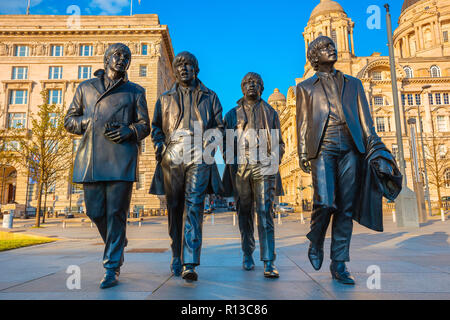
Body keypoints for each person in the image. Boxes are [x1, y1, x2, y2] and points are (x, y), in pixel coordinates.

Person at [296, 36, 394, 285]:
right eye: (324, 47)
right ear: (314, 56)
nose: (332, 48)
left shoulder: (354, 83)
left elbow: (366, 122)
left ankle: (339, 263)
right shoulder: (305, 87)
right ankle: (316, 239)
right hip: (322, 146)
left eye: (332, 45)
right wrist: (302, 152)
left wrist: (377, 150)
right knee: (326, 202)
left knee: (345, 208)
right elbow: (303, 123)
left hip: (351, 147)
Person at [64, 43, 150, 289]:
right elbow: (69, 120)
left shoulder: (135, 91)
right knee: (95, 212)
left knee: (116, 214)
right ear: (106, 59)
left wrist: (129, 130)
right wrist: (87, 122)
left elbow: (145, 125)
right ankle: (117, 242)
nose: (122, 59)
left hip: (121, 158)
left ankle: (111, 266)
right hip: (91, 158)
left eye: (126, 56)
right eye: (117, 55)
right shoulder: (85, 88)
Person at [149, 51, 224, 282]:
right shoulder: (164, 99)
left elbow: (220, 126)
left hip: (199, 154)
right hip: (173, 154)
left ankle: (190, 262)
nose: (183, 69)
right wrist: (160, 147)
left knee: (194, 205)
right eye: (179, 66)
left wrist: (209, 147)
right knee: (174, 208)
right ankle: (176, 253)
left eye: (188, 65)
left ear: (196, 69)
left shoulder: (210, 97)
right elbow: (156, 128)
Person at [222, 72, 285, 278]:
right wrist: (232, 162)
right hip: (241, 165)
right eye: (248, 82)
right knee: (245, 212)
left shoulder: (271, 112)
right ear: (242, 88)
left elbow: (280, 142)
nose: (252, 85)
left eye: (256, 83)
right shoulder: (232, 115)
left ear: (262, 88)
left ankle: (269, 260)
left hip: (264, 164)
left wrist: (274, 158)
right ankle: (247, 253)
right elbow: (224, 142)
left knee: (266, 212)